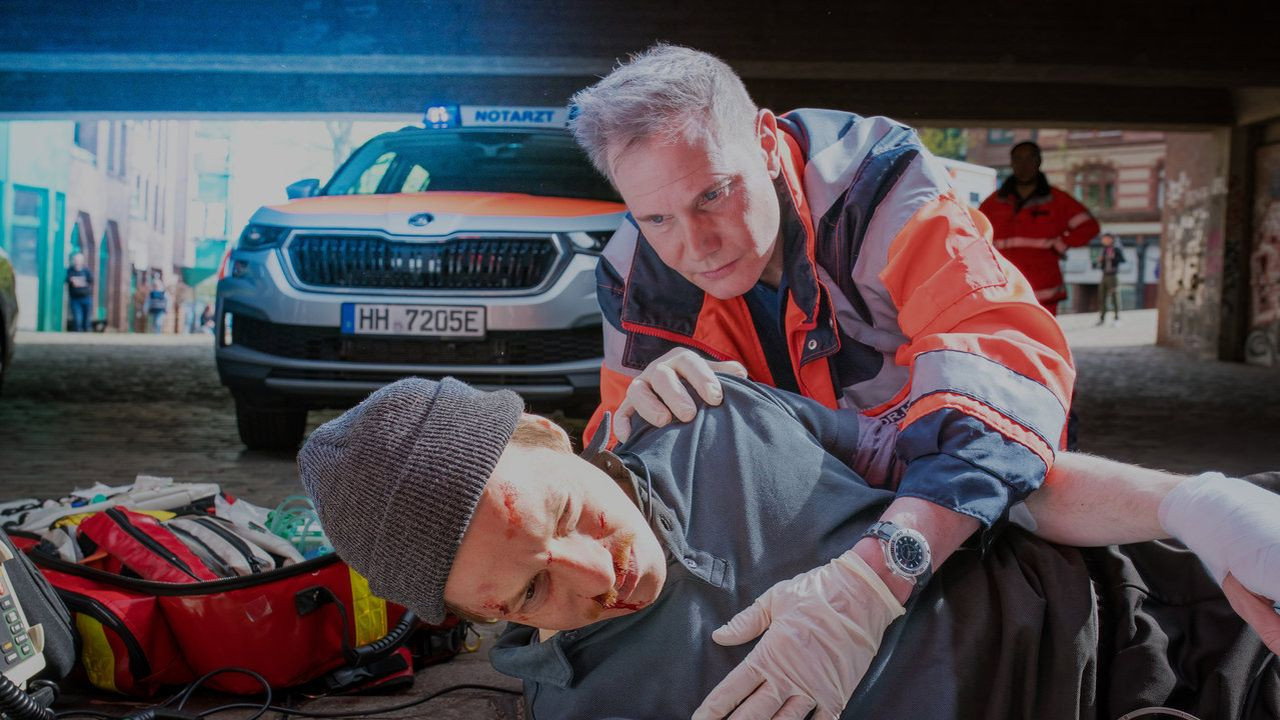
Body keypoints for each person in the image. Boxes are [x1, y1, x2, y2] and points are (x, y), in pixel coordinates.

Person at [570, 44, 1075, 713]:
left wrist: (875, 577)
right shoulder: (633, 268)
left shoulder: (878, 183)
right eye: (657, 218)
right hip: (809, 522)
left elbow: (1007, 369)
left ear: (764, 140)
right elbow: (619, 469)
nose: (696, 245)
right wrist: (636, 427)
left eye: (714, 195)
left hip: (945, 499)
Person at [297, 376, 1280, 719]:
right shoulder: (588, 706)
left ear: (553, 438)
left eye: (564, 516)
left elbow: (985, 465)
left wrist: (1192, 505)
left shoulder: (713, 416)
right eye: (528, 594)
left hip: (1163, 597)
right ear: (476, 621)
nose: (598, 578)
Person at [979, 140, 1101, 315]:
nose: (1024, 165)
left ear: (1039, 162)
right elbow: (975, 235)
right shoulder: (993, 203)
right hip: (1004, 287)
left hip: (1044, 290)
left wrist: (1061, 244)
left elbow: (1089, 226)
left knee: (1041, 333)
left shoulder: (1057, 200)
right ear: (1011, 163)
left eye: (1030, 159)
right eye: (1018, 159)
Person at [1094, 232, 1126, 326]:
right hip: (1104, 275)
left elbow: (1122, 260)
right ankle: (1102, 318)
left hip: (1113, 275)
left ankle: (1117, 317)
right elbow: (1098, 263)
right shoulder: (1104, 249)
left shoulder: (1116, 248)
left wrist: (1113, 257)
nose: (1103, 240)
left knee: (1114, 297)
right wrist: (1100, 260)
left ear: (1111, 239)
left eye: (1106, 238)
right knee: (1102, 297)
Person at [65, 252, 93, 332]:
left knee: (86, 319)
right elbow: (67, 280)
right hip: (75, 299)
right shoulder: (70, 270)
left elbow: (91, 280)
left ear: (82, 261)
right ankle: (77, 333)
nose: (77, 261)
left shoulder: (86, 271)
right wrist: (73, 281)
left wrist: (79, 282)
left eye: (79, 260)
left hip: (86, 298)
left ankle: (87, 333)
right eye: (76, 260)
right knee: (77, 319)